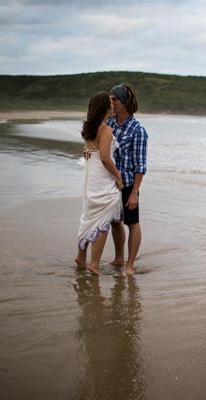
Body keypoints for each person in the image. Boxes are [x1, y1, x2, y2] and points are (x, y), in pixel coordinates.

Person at [75, 92, 124, 276]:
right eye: (111, 104)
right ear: (105, 108)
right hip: (102, 179)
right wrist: (118, 177)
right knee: (104, 217)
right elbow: (104, 157)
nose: (114, 106)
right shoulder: (105, 129)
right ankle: (94, 264)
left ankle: (81, 256)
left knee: (89, 216)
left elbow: (89, 151)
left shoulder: (89, 127)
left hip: (90, 178)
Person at [107, 84, 148, 276]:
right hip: (110, 182)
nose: (111, 103)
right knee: (115, 221)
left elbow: (140, 165)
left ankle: (130, 265)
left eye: (115, 100)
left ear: (125, 102)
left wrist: (134, 193)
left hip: (129, 183)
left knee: (132, 223)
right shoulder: (109, 123)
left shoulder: (138, 130)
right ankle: (118, 258)